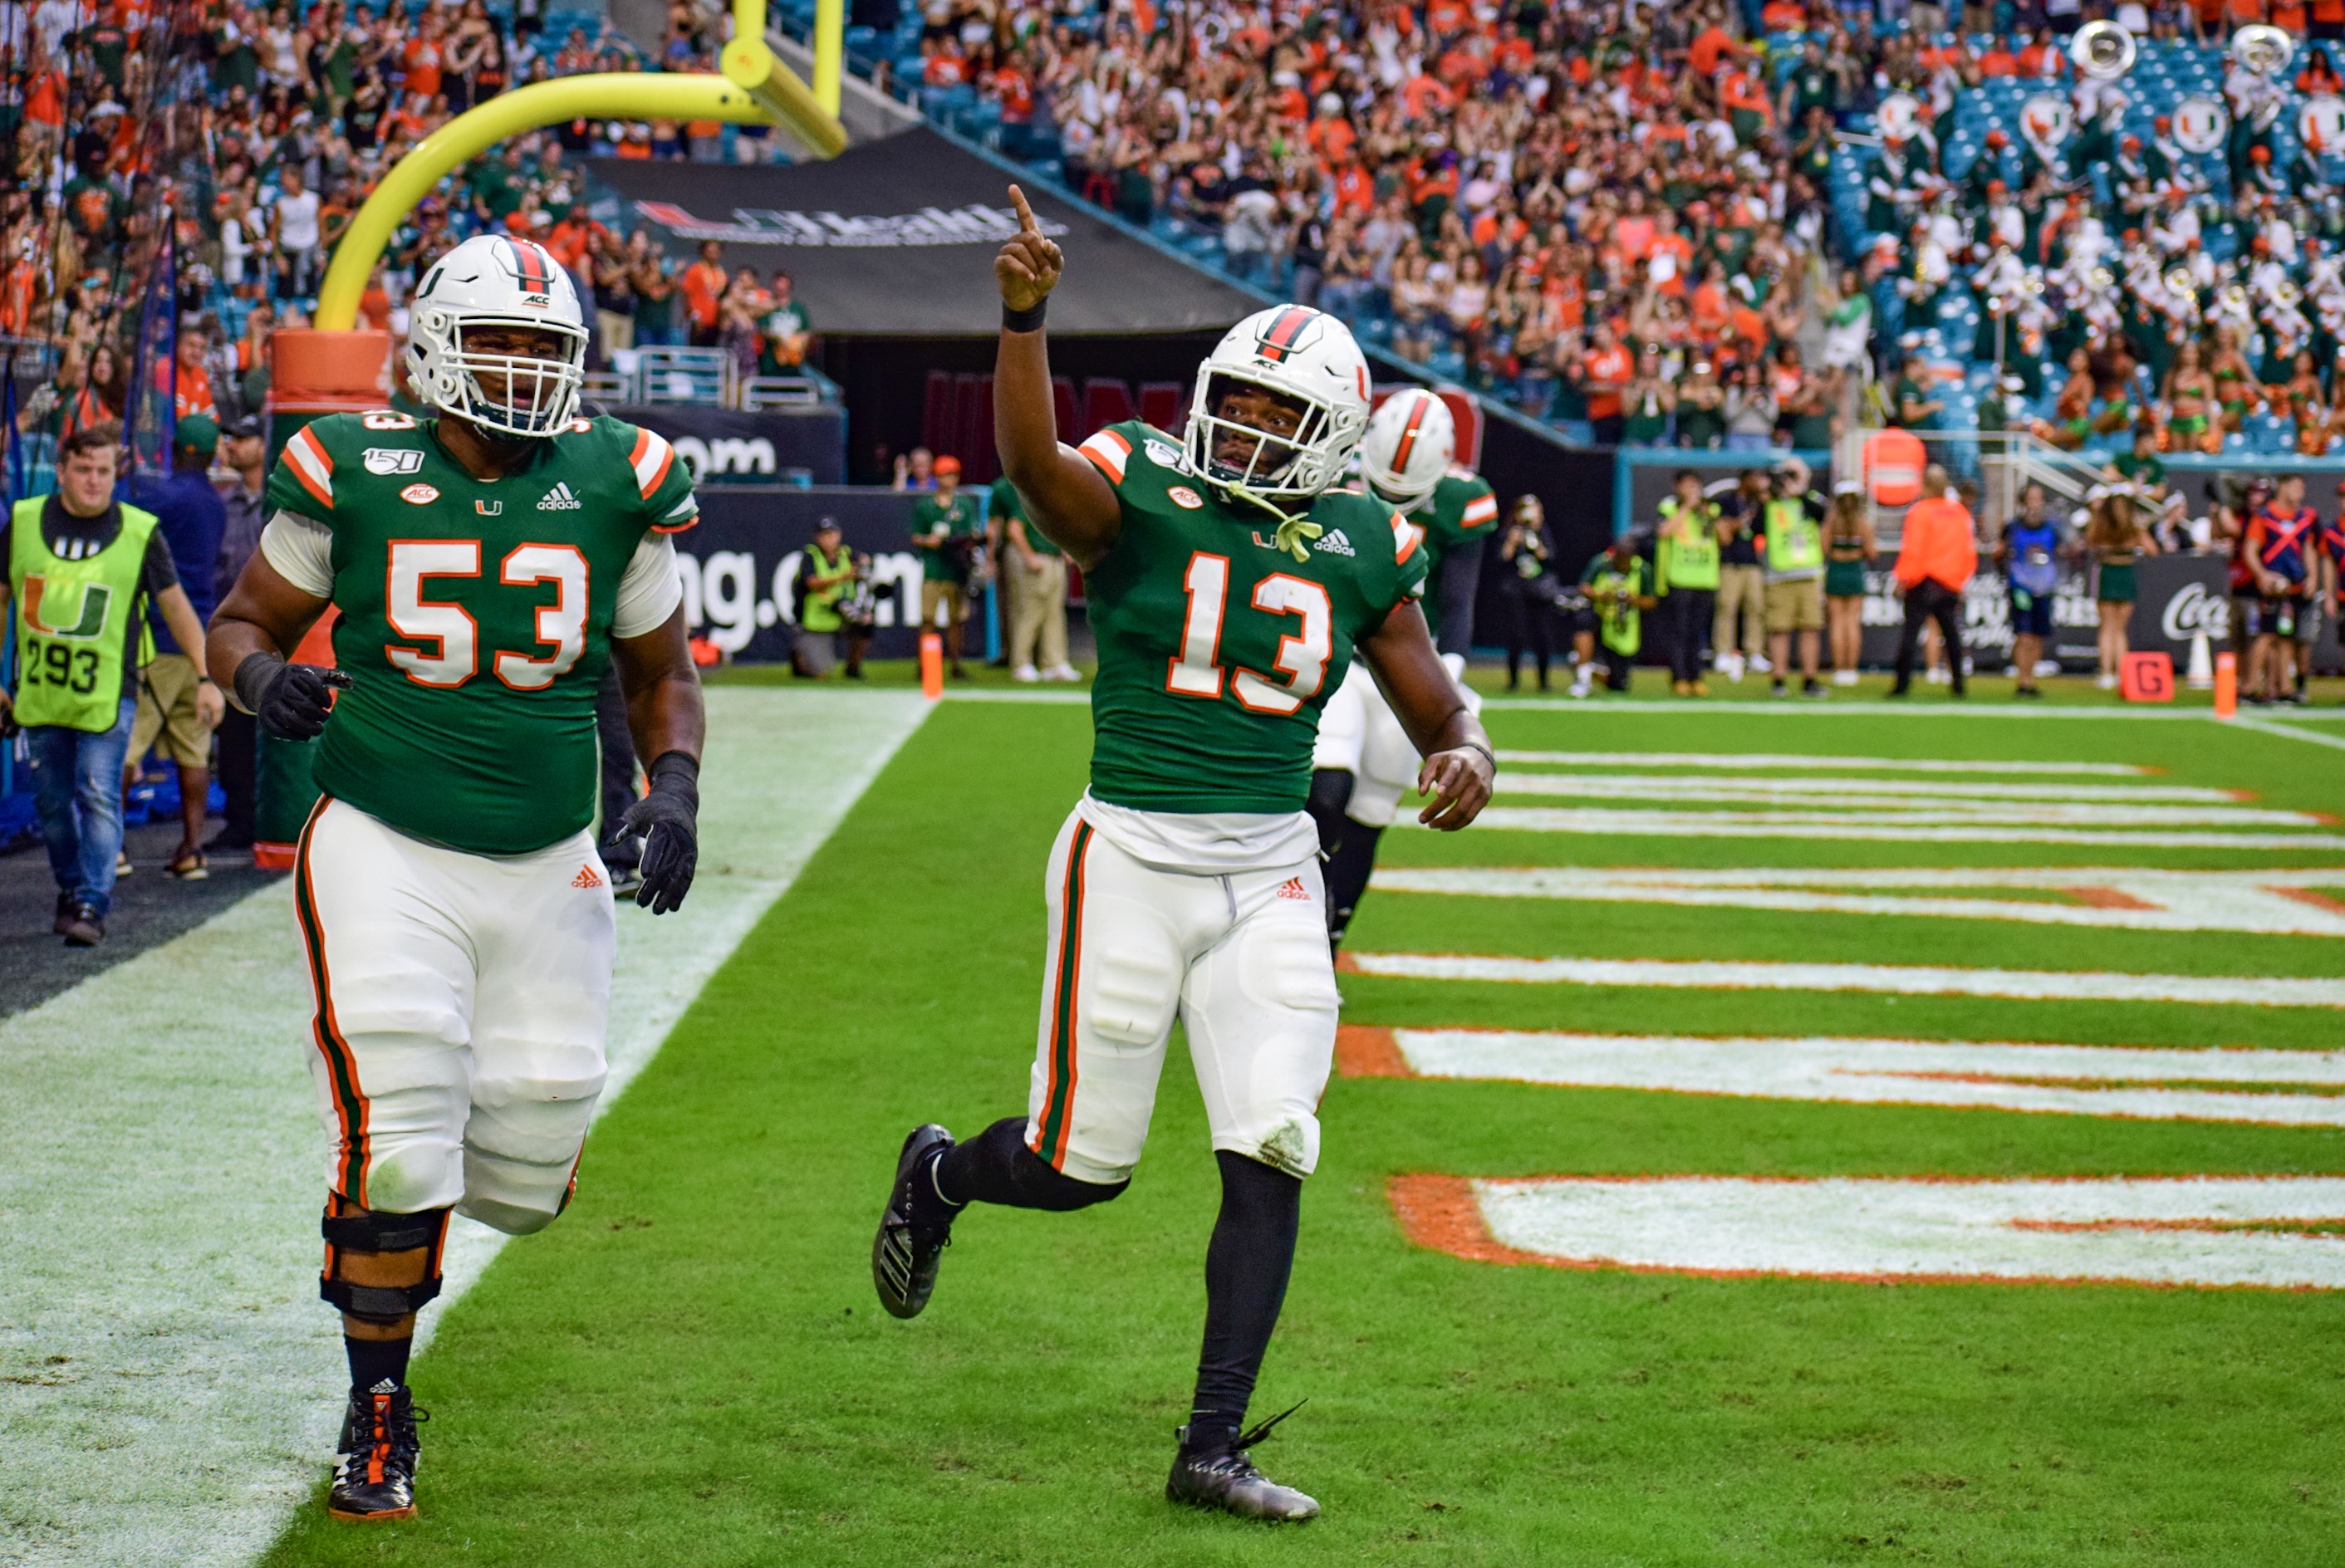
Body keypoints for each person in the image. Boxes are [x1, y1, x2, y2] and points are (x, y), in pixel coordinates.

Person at [871, 190, 1494, 1525]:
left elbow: (1435, 704)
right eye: (1240, 401)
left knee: (1273, 1138)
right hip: (1132, 857)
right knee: (1075, 1168)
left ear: (1331, 436)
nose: (1251, 427)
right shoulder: (1142, 486)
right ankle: (942, 1175)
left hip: (1271, 871)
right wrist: (1024, 320)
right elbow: (1033, 469)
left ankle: (1210, 1444)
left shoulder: (1362, 541)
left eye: (1281, 413)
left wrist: (1466, 753)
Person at [204, 235, 707, 1524]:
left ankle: (422, 1207)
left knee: (530, 1160)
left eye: (545, 347)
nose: (524, 368)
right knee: (398, 1129)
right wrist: (262, 680)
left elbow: (660, 671)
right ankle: (378, 1408)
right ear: (434, 346)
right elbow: (240, 623)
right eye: (499, 342)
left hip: (547, 854)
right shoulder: (356, 465)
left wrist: (674, 787)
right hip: (385, 838)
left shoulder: (617, 476)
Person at [1, 427, 223, 946]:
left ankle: (92, 903)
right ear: (61, 472)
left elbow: (177, 608)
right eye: (83, 469)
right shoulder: (23, 524)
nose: (94, 481)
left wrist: (207, 676)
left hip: (111, 692)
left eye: (104, 471)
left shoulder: (140, 532)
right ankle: (72, 887)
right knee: (52, 805)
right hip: (41, 693)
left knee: (99, 793)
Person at [1309, 387, 1494, 948]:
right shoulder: (1333, 473)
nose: (1392, 499)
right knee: (1324, 794)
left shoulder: (1463, 500)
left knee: (1368, 816)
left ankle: (1329, 945)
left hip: (1413, 664)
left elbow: (1459, 599)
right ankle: (1298, 920)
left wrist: (1447, 680)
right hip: (1342, 653)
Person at [126, 413, 229, 880]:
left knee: (128, 745)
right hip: (200, 640)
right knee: (194, 749)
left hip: (159, 635)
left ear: (178, 450)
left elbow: (121, 519)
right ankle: (191, 850)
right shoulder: (215, 504)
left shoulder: (165, 497)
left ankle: (113, 850)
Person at [211, 412, 267, 851]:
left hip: (276, 627)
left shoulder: (280, 500)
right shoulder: (224, 504)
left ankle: (273, 817)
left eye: (243, 438)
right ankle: (240, 818)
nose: (232, 444)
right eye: (230, 437)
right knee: (233, 732)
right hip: (233, 628)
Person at [1890, 464, 1976, 698]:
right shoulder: (1959, 513)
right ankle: (1958, 684)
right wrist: (1959, 580)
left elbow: (1913, 550)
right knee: (1952, 636)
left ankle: (1901, 685)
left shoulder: (1919, 512)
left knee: (1910, 634)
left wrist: (1903, 578)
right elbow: (1967, 551)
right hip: (1948, 583)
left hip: (1923, 581)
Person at [2243, 473, 2319, 705]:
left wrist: (2312, 576)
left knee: (2287, 637)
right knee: (2266, 635)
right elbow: (2250, 550)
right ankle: (2249, 686)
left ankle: (2284, 688)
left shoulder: (2304, 518)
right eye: (2296, 487)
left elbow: (2308, 548)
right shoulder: (2265, 516)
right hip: (2273, 587)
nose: (2300, 493)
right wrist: (2262, 575)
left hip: (2294, 586)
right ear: (2283, 488)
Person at [994, 472, 1075, 681]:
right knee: (1030, 611)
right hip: (1037, 558)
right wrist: (1029, 557)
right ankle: (1021, 662)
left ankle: (1054, 663)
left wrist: (1067, 548)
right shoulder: (1031, 498)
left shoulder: (1053, 500)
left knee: (1054, 612)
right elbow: (1014, 529)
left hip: (1053, 557)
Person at [1760, 458, 1827, 698]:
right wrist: (1770, 493)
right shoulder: (1771, 503)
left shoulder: (1811, 499)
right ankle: (1778, 678)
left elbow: (1822, 515)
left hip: (1808, 573)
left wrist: (1799, 494)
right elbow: (1756, 526)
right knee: (1779, 628)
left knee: (1810, 628)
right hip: (1778, 574)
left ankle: (1809, 679)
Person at [911, 454, 983, 678]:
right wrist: (928, 541)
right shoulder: (926, 505)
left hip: (956, 570)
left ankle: (956, 663)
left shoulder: (964, 505)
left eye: (952, 475)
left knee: (956, 619)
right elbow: (915, 536)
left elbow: (972, 533)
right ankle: (925, 664)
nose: (948, 480)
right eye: (944, 475)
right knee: (928, 618)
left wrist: (965, 542)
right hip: (934, 568)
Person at [1655, 469, 1720, 696]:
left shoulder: (1710, 510)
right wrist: (1686, 508)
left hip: (1706, 579)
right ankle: (1679, 676)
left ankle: (1696, 676)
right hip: (1680, 578)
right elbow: (1664, 532)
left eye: (1696, 485)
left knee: (1697, 633)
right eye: (1688, 485)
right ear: (1677, 487)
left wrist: (1706, 514)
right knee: (1679, 631)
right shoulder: (1669, 508)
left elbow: (1723, 538)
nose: (1693, 490)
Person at [2087, 484, 2158, 691]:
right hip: (2122, 572)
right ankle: (2117, 674)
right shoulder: (2132, 527)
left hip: (2111, 571)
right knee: (2117, 628)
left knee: (2109, 627)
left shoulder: (2103, 525)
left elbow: (2090, 542)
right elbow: (2152, 549)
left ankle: (2109, 673)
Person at [1998, 482, 2063, 699]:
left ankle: (2031, 678)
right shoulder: (2013, 528)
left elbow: (2063, 554)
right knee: (2024, 635)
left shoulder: (2052, 528)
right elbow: (2000, 553)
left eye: (2038, 499)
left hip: (2044, 588)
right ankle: (2022, 680)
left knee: (2038, 636)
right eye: (2030, 499)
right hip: (2021, 588)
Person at [1572, 532, 1656, 695]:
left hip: (1623, 624)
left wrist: (1632, 600)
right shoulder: (1602, 563)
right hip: (1601, 615)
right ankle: (1583, 677)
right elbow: (1583, 587)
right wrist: (1602, 596)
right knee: (1584, 624)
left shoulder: (1642, 569)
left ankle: (1588, 667)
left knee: (1619, 684)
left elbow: (1651, 601)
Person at [1711, 468, 1768, 681]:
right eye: (1755, 479)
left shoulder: (1759, 504)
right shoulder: (1726, 501)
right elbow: (1722, 531)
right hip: (1730, 562)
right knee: (1727, 607)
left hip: (1752, 562)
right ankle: (1723, 651)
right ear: (1745, 480)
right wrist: (1741, 521)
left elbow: (1763, 531)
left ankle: (1754, 652)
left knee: (1756, 607)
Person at [1499, 494, 1559, 690]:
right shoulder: (1510, 532)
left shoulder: (1543, 532)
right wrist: (1512, 541)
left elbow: (1550, 558)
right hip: (1515, 590)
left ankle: (1544, 681)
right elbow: (1501, 559)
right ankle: (1513, 681)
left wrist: (1536, 541)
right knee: (1516, 635)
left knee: (1542, 636)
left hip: (1539, 591)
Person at [1822, 479, 1875, 686]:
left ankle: (1839, 669)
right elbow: (1871, 552)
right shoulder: (1863, 523)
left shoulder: (1831, 522)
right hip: (1854, 571)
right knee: (1852, 622)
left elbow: (1824, 548)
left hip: (1836, 570)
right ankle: (1851, 670)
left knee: (1837, 622)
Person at [792, 517, 860, 677]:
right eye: (824, 535)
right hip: (814, 620)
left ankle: (853, 667)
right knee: (820, 672)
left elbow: (864, 563)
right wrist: (842, 577)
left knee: (864, 622)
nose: (828, 539)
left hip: (839, 613)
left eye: (831, 534)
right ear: (817, 538)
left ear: (839, 535)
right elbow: (812, 582)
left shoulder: (846, 553)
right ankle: (798, 655)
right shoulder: (811, 555)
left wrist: (863, 564)